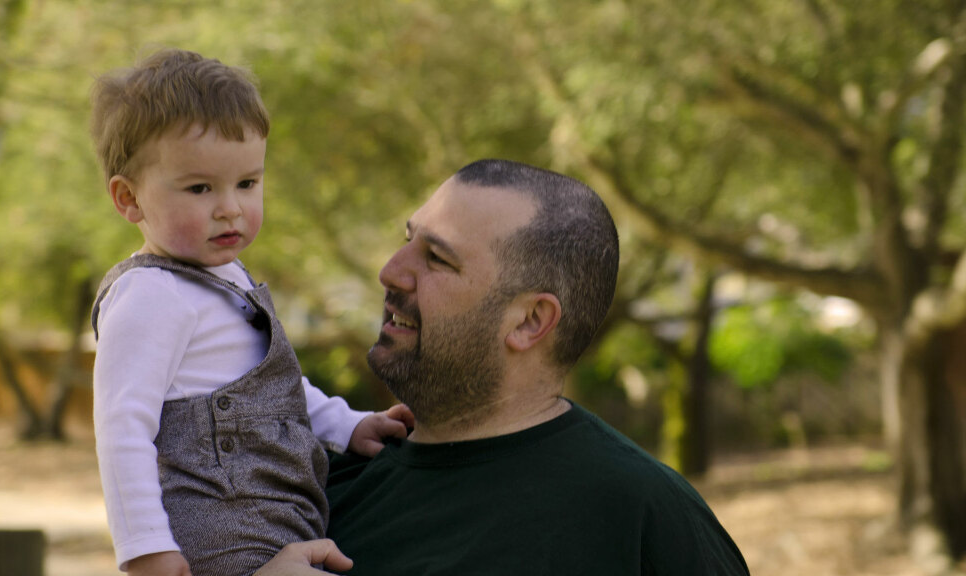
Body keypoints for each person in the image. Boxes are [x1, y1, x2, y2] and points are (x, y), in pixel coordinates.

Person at [259, 159, 749, 575]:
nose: (391, 270)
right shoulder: (311, 484)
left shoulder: (639, 517)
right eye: (409, 239)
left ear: (531, 321)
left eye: (437, 258)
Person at [88, 49, 412, 576]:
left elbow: (276, 387)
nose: (230, 208)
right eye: (200, 188)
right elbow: (122, 428)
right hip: (219, 532)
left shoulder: (228, 277)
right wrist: (145, 546)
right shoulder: (149, 297)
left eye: (247, 183)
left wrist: (348, 424)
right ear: (130, 200)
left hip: (281, 519)